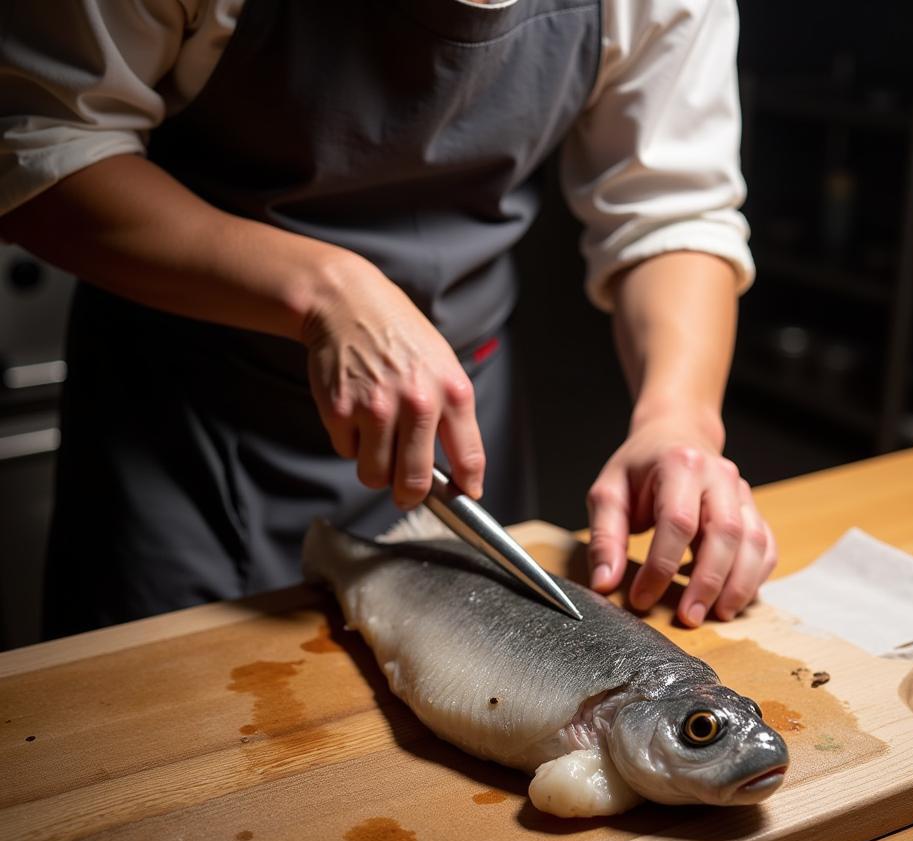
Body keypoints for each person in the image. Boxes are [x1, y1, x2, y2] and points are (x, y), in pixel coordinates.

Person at [0, 0, 776, 639]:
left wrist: (678, 417)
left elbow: (671, 207)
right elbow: (41, 139)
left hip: (462, 422)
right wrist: (323, 289)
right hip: (187, 421)